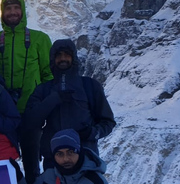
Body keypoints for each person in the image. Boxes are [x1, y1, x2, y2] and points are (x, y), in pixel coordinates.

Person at [0, 0, 53, 184]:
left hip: (31, 113)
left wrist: (43, 106)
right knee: (3, 163)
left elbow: (48, 75)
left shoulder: (40, 39)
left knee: (32, 163)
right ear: (2, 13)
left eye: (16, 8)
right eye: (8, 9)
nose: (12, 12)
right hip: (3, 113)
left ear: (23, 11)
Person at [23, 38, 116, 171]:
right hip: (53, 160)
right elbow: (30, 121)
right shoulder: (43, 89)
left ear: (74, 58)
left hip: (86, 158)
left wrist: (92, 133)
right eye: (59, 55)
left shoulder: (90, 86)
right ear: (52, 59)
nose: (63, 59)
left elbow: (108, 122)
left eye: (67, 55)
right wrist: (52, 100)